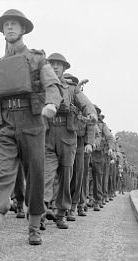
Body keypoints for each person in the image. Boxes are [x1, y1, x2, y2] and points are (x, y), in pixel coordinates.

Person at [0, 9, 62, 248]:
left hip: (32, 122)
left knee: (36, 175)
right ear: (2, 32)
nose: (10, 28)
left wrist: (51, 103)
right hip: (4, 125)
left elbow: (52, 83)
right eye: (6, 25)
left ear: (23, 29)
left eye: (14, 24)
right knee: (1, 174)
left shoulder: (37, 59)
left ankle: (34, 226)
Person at [44, 53, 97, 229]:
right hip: (47, 133)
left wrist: (91, 113)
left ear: (65, 68)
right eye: (52, 64)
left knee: (66, 176)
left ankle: (61, 213)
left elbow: (86, 104)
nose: (55, 66)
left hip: (67, 136)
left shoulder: (72, 89)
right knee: (46, 174)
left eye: (59, 64)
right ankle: (42, 210)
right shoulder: (42, 85)